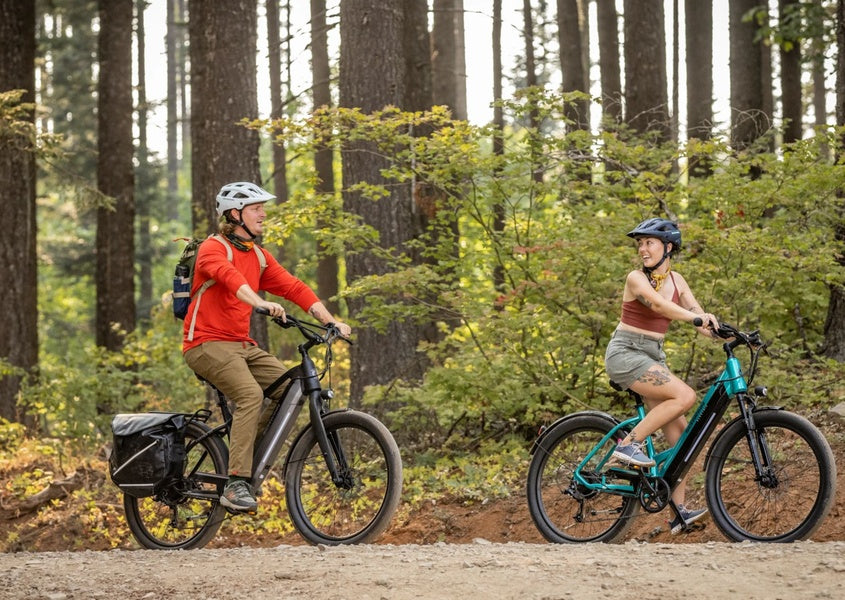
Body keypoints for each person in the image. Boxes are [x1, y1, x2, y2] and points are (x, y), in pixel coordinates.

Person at [183, 181, 351, 513]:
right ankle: (235, 483)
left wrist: (331, 321)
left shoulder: (259, 256)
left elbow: (294, 288)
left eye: (263, 207)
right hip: (205, 344)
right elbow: (232, 281)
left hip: (241, 345)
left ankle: (246, 460)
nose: (263, 213)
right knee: (250, 395)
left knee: (293, 385)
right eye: (256, 208)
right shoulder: (214, 249)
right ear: (235, 214)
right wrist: (260, 302)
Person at [604, 218, 719, 534]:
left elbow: (699, 314)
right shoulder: (635, 279)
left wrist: (724, 332)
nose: (642, 248)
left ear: (668, 246)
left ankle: (679, 513)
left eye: (648, 242)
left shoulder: (678, 281)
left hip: (653, 356)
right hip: (626, 353)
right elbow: (658, 305)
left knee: (681, 438)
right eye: (640, 243)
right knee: (684, 396)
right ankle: (628, 445)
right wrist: (697, 319)